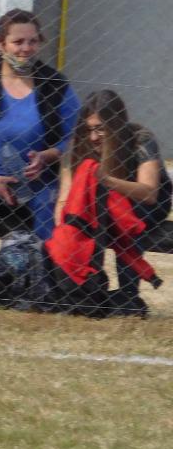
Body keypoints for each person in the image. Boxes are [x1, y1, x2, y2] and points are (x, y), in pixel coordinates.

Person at [0, 9, 79, 307]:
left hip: (38, 178)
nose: (25, 49)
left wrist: (48, 155)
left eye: (32, 42)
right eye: (17, 41)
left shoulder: (55, 84)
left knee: (50, 208)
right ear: (1, 43)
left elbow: (74, 135)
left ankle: (46, 294)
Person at [47, 90, 167, 316]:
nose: (93, 137)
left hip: (142, 205)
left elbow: (149, 192)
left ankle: (128, 295)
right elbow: (65, 198)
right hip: (100, 208)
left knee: (120, 217)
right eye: (89, 129)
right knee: (81, 221)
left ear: (116, 125)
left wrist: (107, 180)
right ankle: (87, 290)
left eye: (101, 128)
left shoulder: (140, 137)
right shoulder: (78, 145)